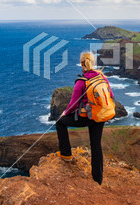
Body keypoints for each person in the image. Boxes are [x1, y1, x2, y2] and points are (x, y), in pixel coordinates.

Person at [55, 51, 114, 185]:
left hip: (87, 117)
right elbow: (110, 95)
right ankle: (98, 179)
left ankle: (66, 154)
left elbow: (73, 103)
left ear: (82, 64)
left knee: (60, 122)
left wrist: (65, 113)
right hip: (100, 115)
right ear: (92, 63)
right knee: (96, 146)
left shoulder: (82, 82)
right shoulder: (102, 77)